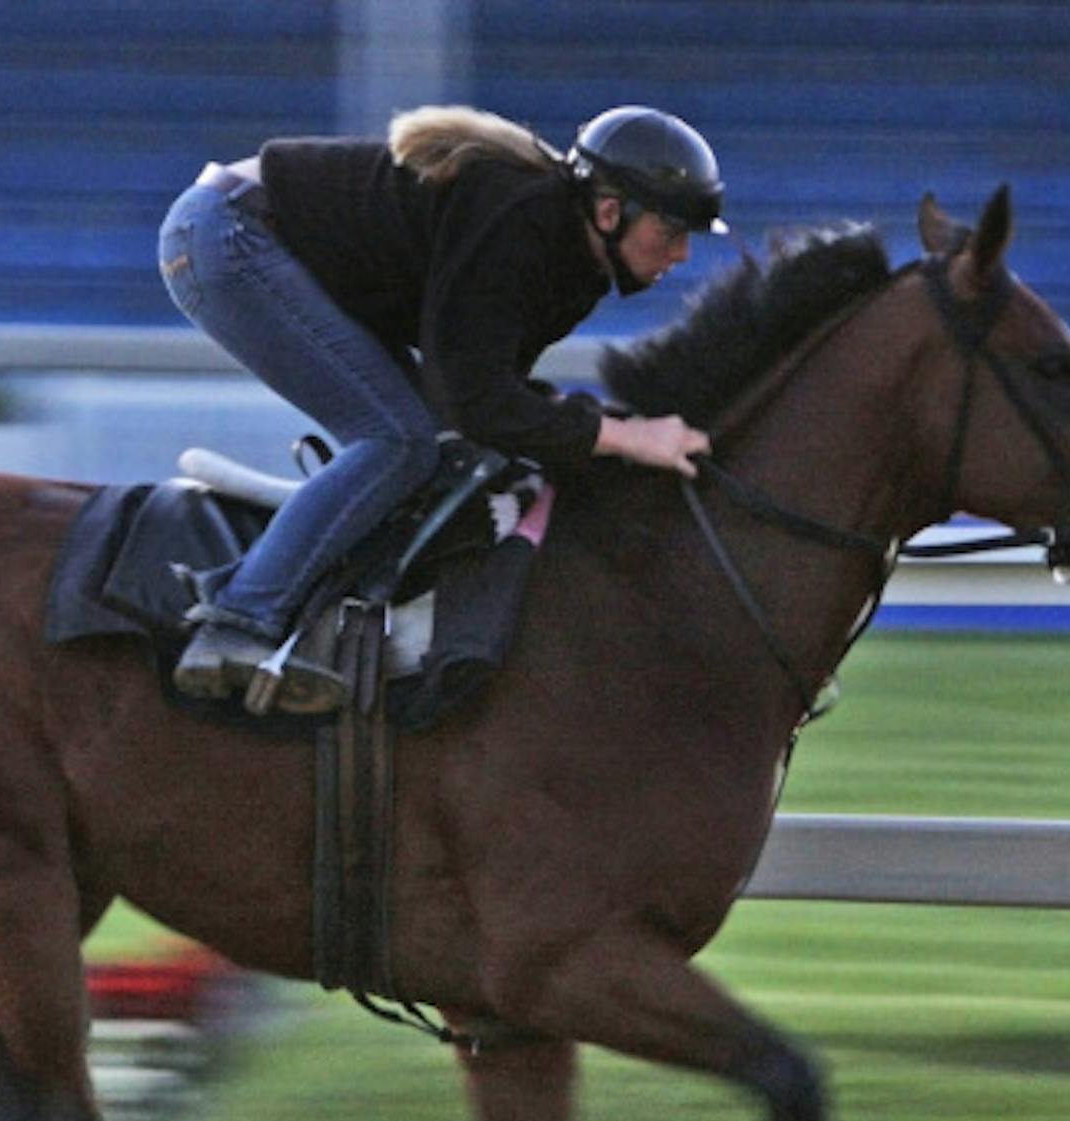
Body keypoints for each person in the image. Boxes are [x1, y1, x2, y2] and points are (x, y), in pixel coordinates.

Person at [158, 103, 727, 715]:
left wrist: (603, 428)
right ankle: (237, 621)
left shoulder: (571, 263)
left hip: (253, 236)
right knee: (398, 441)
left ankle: (322, 619)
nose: (682, 256)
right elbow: (481, 403)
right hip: (229, 237)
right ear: (611, 212)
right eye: (671, 233)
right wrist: (622, 437)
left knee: (427, 441)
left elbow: (485, 393)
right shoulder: (520, 218)